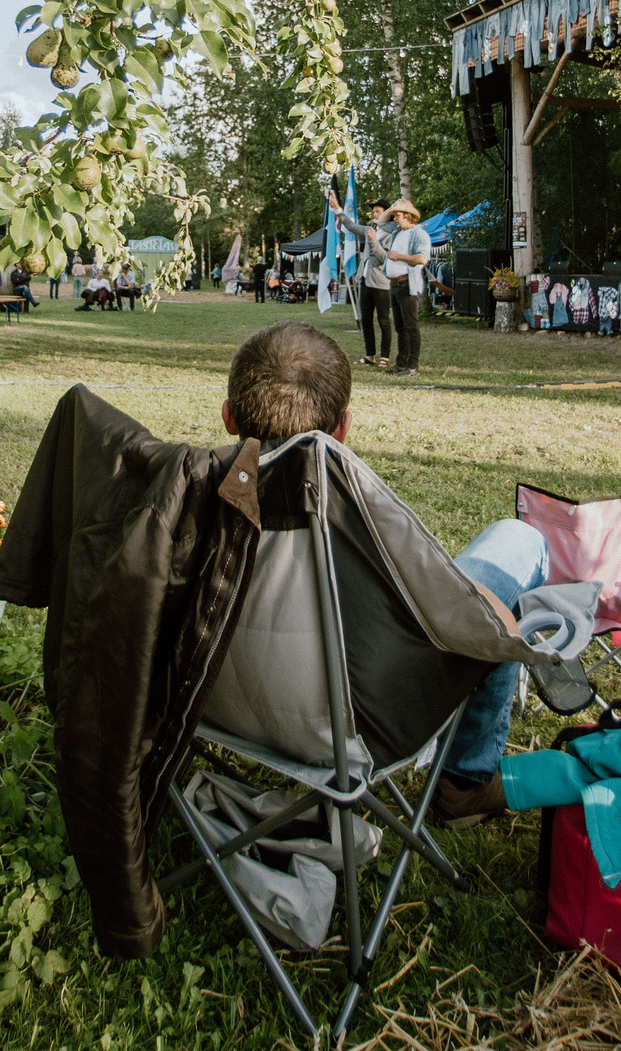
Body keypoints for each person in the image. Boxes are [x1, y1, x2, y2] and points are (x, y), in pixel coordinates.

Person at [217, 321, 549, 827]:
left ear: (228, 417)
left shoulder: (180, 498)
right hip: (363, 728)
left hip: (215, 708)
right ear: (342, 430)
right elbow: (493, 628)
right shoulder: (355, 519)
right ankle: (463, 783)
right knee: (519, 539)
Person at [328, 191, 396, 369]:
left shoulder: (392, 234)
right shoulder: (370, 230)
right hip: (365, 280)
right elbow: (350, 226)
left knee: (383, 321)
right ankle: (370, 355)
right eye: (373, 211)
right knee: (366, 319)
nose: (374, 214)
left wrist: (373, 241)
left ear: (387, 214)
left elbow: (385, 258)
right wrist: (338, 208)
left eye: (378, 211)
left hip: (381, 282)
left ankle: (385, 356)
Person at [382, 200, 432, 377]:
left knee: (411, 326)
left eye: (397, 215)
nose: (394, 218)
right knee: (400, 327)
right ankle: (401, 364)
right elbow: (380, 222)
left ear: (408, 216)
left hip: (407, 284)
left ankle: (412, 367)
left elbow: (422, 259)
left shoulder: (419, 234)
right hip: (395, 284)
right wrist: (392, 207)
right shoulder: (397, 232)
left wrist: (398, 256)